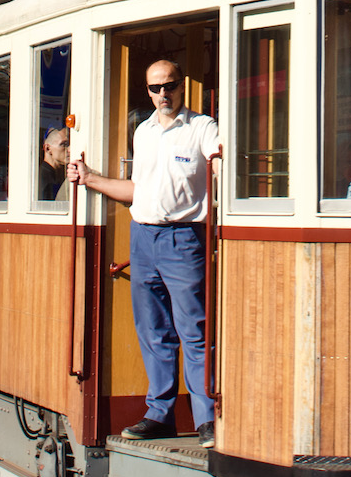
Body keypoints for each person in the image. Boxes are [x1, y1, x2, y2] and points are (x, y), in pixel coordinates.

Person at [68, 60, 219, 446]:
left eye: (169, 86)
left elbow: (222, 168)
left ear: (181, 86)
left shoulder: (202, 128)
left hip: (184, 238)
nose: (163, 94)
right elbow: (139, 190)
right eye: (155, 88)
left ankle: (206, 418)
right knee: (154, 332)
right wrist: (90, 179)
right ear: (148, 91)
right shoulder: (145, 132)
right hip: (143, 237)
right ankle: (160, 415)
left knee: (194, 329)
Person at [39, 126, 70, 201]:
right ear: (48, 148)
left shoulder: (57, 175)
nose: (69, 149)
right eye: (64, 144)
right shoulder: (41, 179)